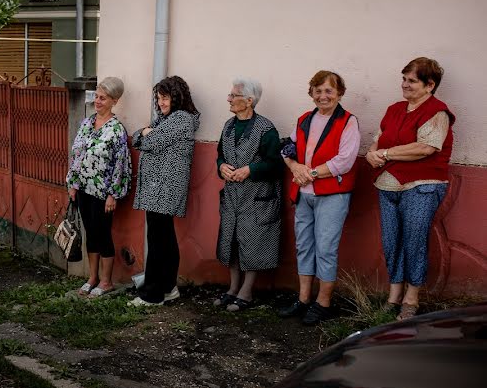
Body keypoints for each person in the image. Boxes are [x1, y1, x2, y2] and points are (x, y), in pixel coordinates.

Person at [365, 57, 455, 321]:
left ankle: (411, 299)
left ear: (430, 85)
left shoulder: (437, 112)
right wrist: (373, 154)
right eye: (404, 79)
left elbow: (425, 147)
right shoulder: (394, 109)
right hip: (387, 184)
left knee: (414, 241)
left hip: (422, 187)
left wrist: (385, 152)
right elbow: (378, 139)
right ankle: (394, 296)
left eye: (412, 81)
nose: (404, 84)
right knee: (392, 240)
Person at [279, 71, 360, 325]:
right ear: (311, 93)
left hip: (332, 195)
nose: (323, 95)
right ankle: (303, 299)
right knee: (304, 245)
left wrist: (310, 173)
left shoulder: (348, 121)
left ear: (339, 93)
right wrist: (294, 167)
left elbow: (345, 161)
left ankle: (323, 303)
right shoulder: (305, 119)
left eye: (328, 90)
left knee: (325, 249)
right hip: (304, 194)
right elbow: (286, 147)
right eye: (318, 90)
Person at [128, 76, 199, 307]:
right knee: (162, 237)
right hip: (157, 187)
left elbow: (149, 142)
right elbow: (140, 136)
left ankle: (153, 294)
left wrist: (146, 133)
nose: (161, 103)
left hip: (165, 187)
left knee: (160, 240)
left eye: (165, 98)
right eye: (158, 98)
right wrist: (145, 132)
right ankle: (167, 288)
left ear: (177, 98)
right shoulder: (166, 119)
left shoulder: (181, 119)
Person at [215, 78, 282, 311]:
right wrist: (221, 166)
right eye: (230, 94)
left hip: (256, 198)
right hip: (233, 196)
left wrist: (251, 170)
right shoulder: (228, 126)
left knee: (253, 242)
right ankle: (233, 288)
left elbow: (276, 164)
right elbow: (220, 155)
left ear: (249, 101)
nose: (229, 99)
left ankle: (247, 291)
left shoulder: (266, 129)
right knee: (231, 241)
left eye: (234, 95)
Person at [66, 77, 132, 298]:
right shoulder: (86, 123)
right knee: (90, 234)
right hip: (83, 188)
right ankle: (92, 278)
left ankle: (106, 282)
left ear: (114, 101)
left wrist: (113, 195)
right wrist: (73, 184)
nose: (98, 101)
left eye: (103, 98)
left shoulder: (116, 130)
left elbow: (121, 165)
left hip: (103, 193)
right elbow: (76, 155)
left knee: (103, 234)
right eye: (96, 96)